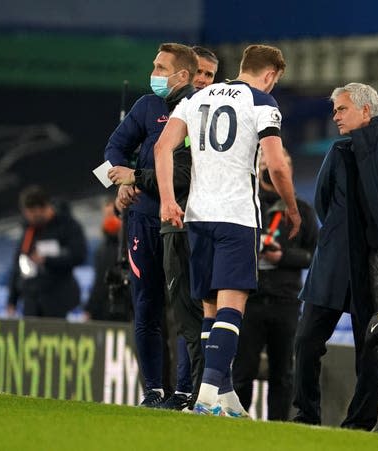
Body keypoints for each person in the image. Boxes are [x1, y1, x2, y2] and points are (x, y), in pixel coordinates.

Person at [154, 44, 301, 417]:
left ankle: (225, 394)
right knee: (233, 307)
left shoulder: (198, 97)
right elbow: (276, 165)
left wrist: (168, 200)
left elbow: (162, 148)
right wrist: (292, 206)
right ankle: (205, 399)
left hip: (197, 215)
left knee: (209, 307)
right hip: (237, 217)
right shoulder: (262, 103)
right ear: (270, 75)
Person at [293, 83, 378, 432]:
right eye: (334, 109)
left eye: (342, 109)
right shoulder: (339, 152)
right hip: (335, 264)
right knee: (307, 340)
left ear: (366, 111)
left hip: (371, 264)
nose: (335, 115)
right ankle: (305, 414)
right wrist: (340, 235)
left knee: (369, 350)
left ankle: (361, 420)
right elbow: (322, 202)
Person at [107, 48, 220, 410]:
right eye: (154, 65)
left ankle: (185, 391)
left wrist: (135, 176)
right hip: (142, 220)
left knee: (187, 310)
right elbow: (113, 148)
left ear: (180, 75)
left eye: (160, 67)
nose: (153, 72)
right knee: (146, 307)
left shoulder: (206, 115)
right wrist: (119, 183)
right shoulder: (145, 108)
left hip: (184, 224)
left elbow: (188, 176)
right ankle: (153, 391)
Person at [231, 149, 318, 420]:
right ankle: (236, 425)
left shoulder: (301, 209)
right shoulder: (244, 203)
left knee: (283, 374)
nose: (272, 169)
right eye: (265, 164)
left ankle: (277, 428)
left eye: (280, 164)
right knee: (243, 371)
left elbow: (315, 256)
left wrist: (283, 257)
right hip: (250, 300)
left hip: (286, 301)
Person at [7, 185, 87, 318]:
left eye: (31, 213)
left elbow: (79, 255)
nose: (28, 217)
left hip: (58, 300)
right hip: (32, 302)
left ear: (41, 209)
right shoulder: (29, 230)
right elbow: (18, 265)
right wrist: (12, 299)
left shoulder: (67, 225)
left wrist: (47, 259)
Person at [84, 196, 131, 322]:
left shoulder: (132, 245)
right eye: (107, 215)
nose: (110, 220)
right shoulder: (102, 250)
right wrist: (90, 308)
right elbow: (99, 282)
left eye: (113, 214)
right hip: (106, 310)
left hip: (128, 309)